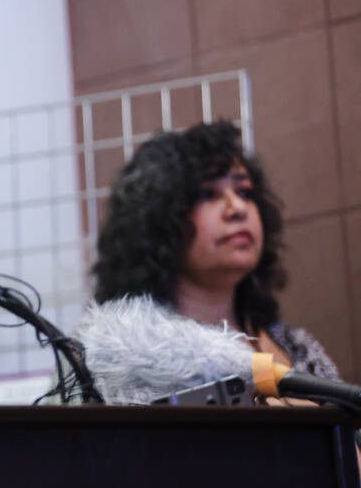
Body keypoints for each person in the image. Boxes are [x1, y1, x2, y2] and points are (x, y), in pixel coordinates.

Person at [92, 120, 340, 380]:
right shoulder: (121, 363)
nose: (237, 208)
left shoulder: (298, 348)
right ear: (157, 221)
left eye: (244, 192)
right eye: (207, 195)